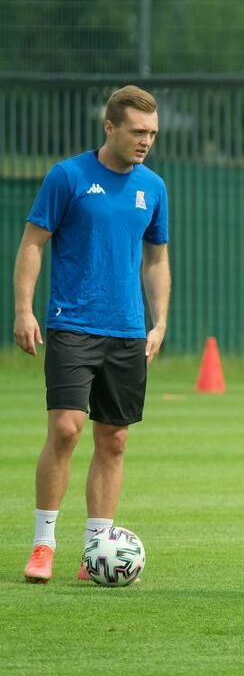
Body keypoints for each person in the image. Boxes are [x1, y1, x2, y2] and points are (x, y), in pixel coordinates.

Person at [16, 85, 170, 583]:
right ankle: (43, 545)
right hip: (71, 322)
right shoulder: (68, 176)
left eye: (152, 133)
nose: (145, 140)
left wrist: (159, 321)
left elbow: (156, 258)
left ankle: (95, 553)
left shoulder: (154, 187)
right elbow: (33, 244)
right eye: (137, 131)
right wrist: (23, 310)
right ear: (110, 127)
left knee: (115, 439)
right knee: (65, 429)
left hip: (126, 331)